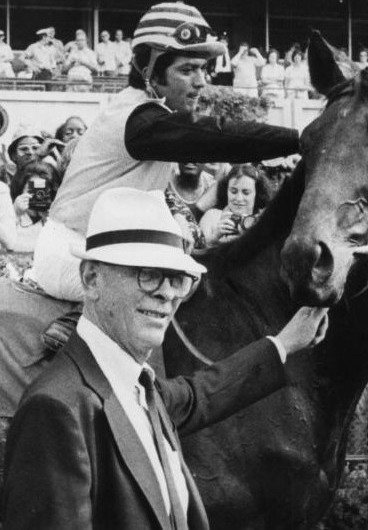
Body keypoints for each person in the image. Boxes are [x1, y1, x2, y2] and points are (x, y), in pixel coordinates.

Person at [2, 187, 329, 530]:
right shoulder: (56, 410)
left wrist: (283, 344)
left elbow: (202, 394)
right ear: (91, 278)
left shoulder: (142, 387)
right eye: (147, 273)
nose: (166, 293)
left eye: (176, 278)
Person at [33, 1, 300, 303]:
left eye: (202, 69)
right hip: (71, 255)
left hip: (98, 250)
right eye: (187, 69)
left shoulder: (145, 114)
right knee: (170, 294)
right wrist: (300, 139)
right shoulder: (139, 119)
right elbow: (217, 135)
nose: (201, 81)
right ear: (150, 71)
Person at [200, 164, 270, 247]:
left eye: (246, 193)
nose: (239, 198)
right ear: (226, 191)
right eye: (233, 191)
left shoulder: (263, 221)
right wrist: (213, 239)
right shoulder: (211, 217)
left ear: (257, 193)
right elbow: (195, 254)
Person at [10, 161, 57, 254]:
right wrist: (14, 214)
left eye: (43, 191)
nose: (38, 196)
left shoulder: (55, 219)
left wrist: (52, 222)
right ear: (20, 190)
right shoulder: (7, 215)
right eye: (32, 190)